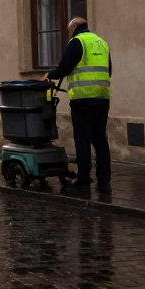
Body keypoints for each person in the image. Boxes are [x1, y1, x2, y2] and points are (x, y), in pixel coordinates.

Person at [45, 17, 112, 193]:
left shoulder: (76, 42)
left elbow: (64, 69)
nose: (69, 33)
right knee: (100, 139)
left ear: (74, 27)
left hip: (82, 99)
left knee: (83, 139)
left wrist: (49, 75)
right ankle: (104, 180)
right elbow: (109, 70)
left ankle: (83, 180)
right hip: (102, 98)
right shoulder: (102, 43)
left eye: (69, 30)